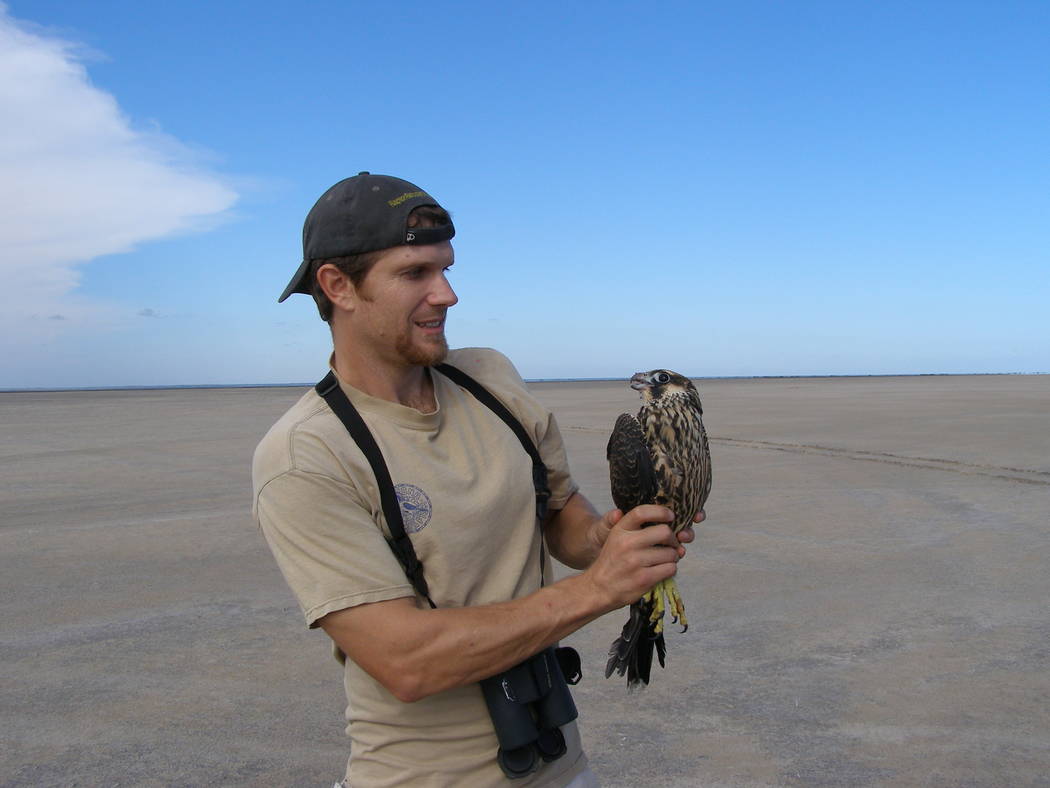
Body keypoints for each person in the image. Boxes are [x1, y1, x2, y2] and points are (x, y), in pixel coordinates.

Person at [251, 173, 701, 787]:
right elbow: (406, 661)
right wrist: (599, 589)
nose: (448, 294)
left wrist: (607, 539)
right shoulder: (306, 456)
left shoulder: (489, 377)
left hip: (563, 765)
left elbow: (557, 513)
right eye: (415, 274)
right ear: (338, 286)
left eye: (447, 269)